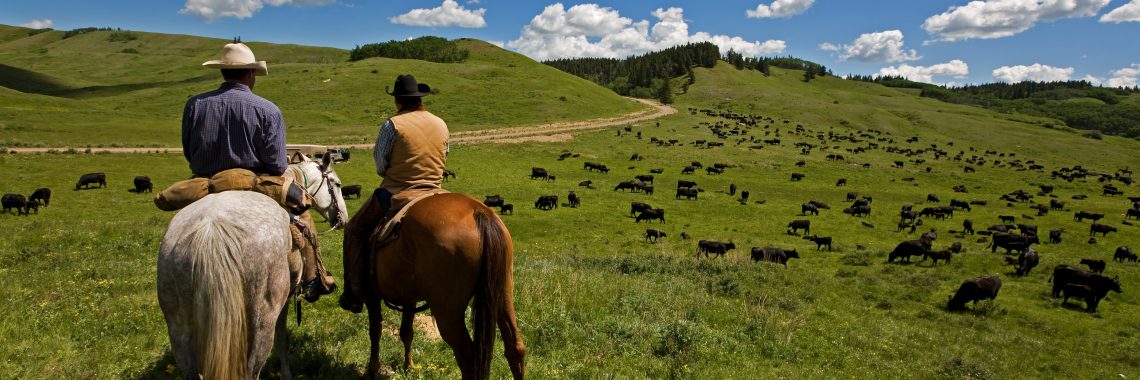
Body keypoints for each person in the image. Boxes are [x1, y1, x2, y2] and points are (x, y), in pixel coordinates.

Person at [158, 42, 335, 302]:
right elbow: (276, 165)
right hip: (256, 183)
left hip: (207, 183)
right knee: (305, 215)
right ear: (251, 74)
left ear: (223, 72)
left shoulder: (194, 105)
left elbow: (190, 152)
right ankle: (312, 278)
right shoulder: (267, 109)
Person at [340, 74, 450, 313]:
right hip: (434, 191)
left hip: (397, 192)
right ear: (420, 98)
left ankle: (353, 292)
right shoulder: (440, 123)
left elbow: (380, 165)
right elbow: (445, 155)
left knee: (355, 230)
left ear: (397, 101)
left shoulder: (392, 125)